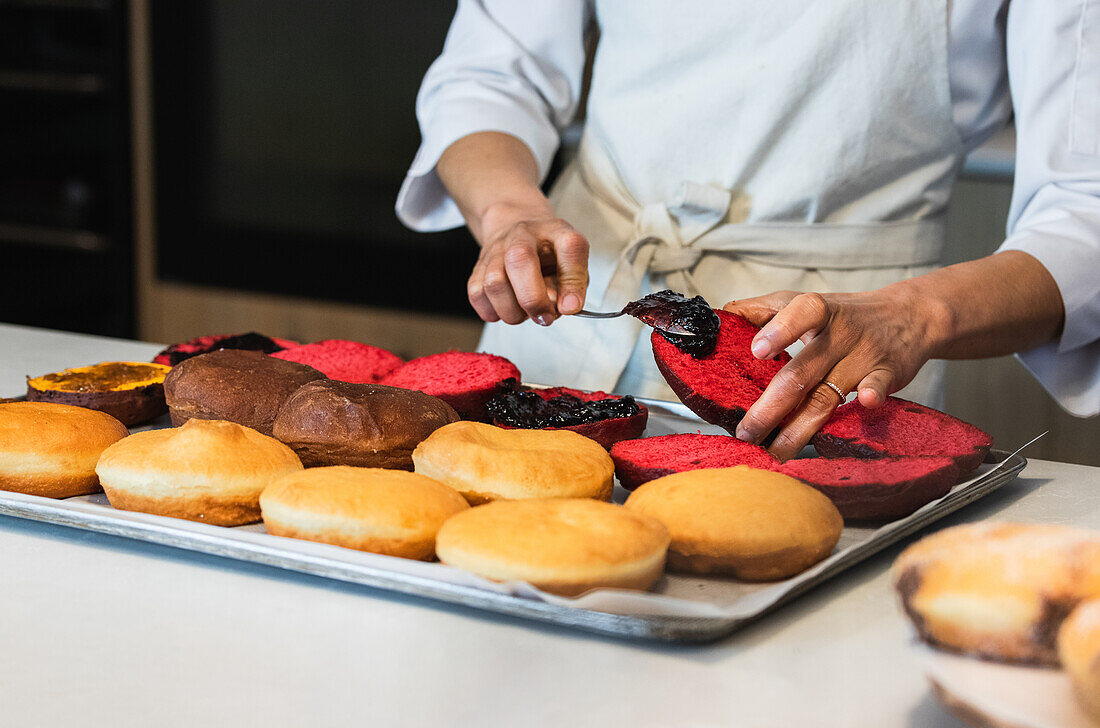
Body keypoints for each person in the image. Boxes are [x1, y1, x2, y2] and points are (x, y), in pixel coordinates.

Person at [396, 1, 1100, 459]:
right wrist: (509, 213)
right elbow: (490, 75)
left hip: (825, 381)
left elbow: (1087, 206)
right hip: (565, 328)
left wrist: (916, 316)